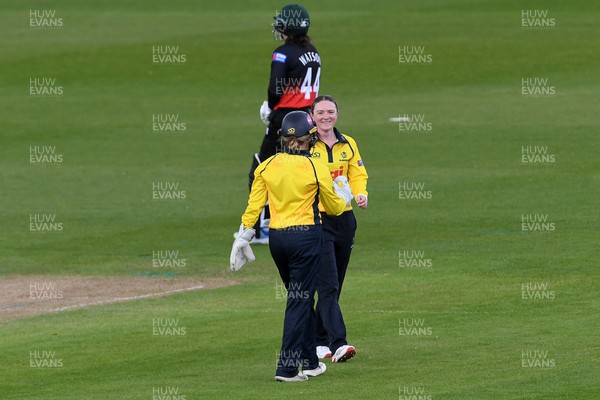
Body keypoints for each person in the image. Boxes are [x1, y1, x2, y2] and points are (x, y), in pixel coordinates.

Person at [230, 111, 352, 382]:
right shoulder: (314, 166)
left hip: (278, 240)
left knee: (302, 297)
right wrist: (344, 196)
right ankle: (286, 367)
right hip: (306, 238)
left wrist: (244, 235)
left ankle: (309, 361)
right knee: (299, 301)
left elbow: (255, 206)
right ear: (309, 139)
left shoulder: (267, 166)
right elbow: (332, 206)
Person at [247, 3, 322, 244]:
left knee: (263, 169)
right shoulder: (314, 52)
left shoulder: (282, 52)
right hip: (307, 119)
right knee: (301, 169)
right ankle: (304, 220)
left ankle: (262, 229)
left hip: (285, 118)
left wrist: (270, 107)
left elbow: (275, 87)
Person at [309, 95, 369, 363]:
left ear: (337, 114)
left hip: (345, 220)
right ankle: (339, 343)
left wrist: (360, 194)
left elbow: (357, 174)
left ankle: (318, 340)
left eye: (330, 112)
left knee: (335, 284)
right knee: (329, 284)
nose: (326, 117)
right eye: (320, 112)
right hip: (318, 220)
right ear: (312, 116)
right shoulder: (306, 143)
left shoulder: (348, 143)